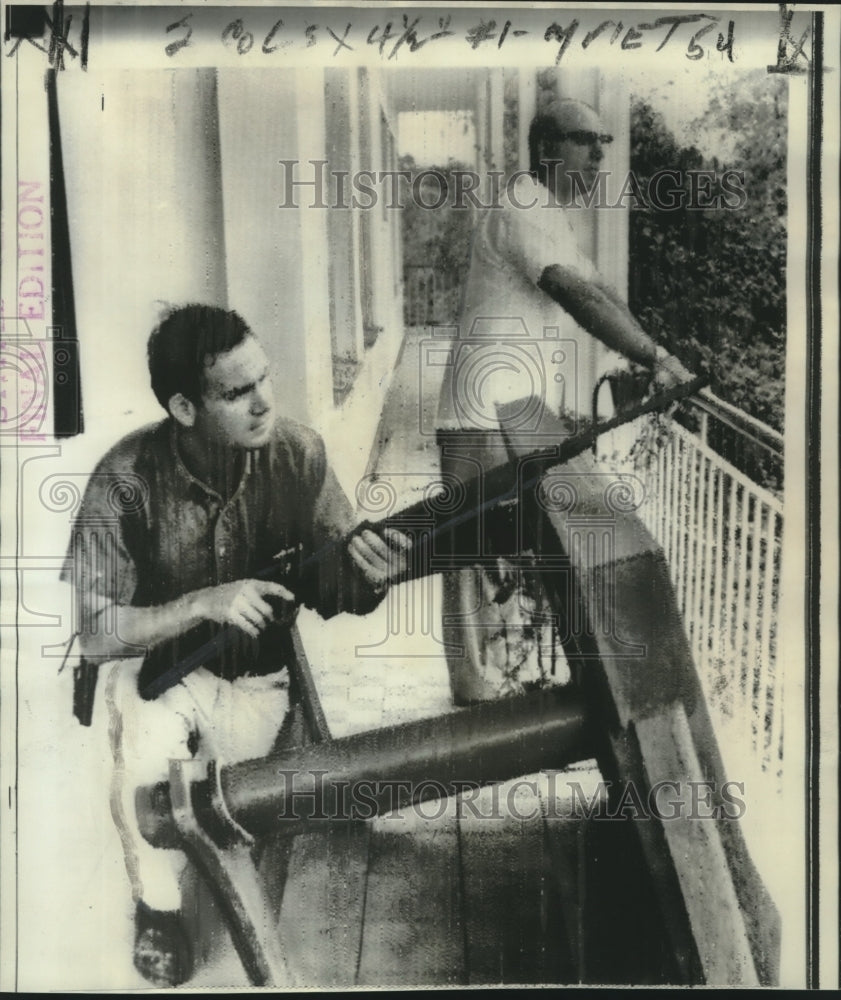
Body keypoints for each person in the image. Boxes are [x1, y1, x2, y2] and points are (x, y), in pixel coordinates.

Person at [61, 304, 411, 987]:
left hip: (256, 676)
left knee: (230, 814)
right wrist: (199, 603)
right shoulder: (124, 479)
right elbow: (96, 631)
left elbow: (336, 587)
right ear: (185, 408)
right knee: (141, 767)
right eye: (237, 392)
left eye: (265, 379)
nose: (264, 402)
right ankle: (155, 910)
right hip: (160, 668)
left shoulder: (298, 454)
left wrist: (371, 578)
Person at [440, 97, 690, 704]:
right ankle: (472, 691)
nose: (601, 154)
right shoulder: (524, 207)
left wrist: (654, 357)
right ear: (549, 149)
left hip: (518, 411)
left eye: (604, 142)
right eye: (587, 142)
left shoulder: (549, 213)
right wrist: (655, 359)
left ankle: (510, 678)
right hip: (481, 409)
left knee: (515, 545)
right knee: (469, 552)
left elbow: (603, 291)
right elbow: (578, 294)